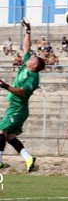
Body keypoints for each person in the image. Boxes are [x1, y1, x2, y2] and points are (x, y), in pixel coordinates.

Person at [0, 17, 45, 172]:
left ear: (33, 65)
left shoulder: (33, 78)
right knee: (10, 137)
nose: (29, 56)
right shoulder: (28, 65)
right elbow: (27, 46)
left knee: (0, 131)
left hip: (18, 108)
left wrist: (5, 85)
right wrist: (28, 30)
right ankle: (28, 158)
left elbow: (21, 92)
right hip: (16, 108)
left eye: (32, 58)